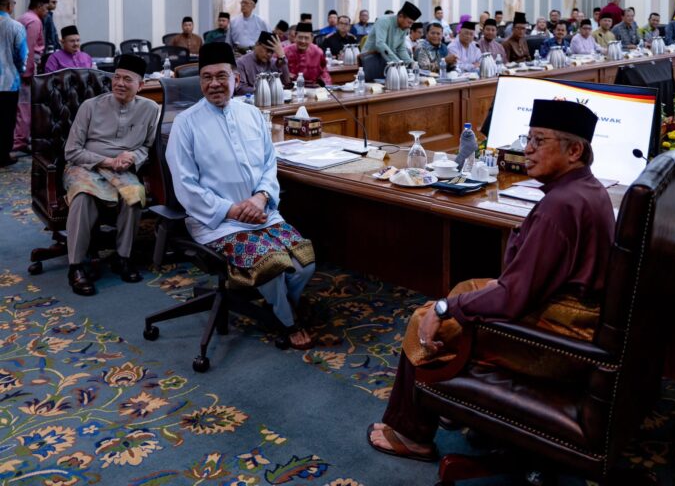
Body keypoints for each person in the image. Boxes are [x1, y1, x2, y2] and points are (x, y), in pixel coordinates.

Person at [366, 99, 615, 461]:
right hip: (572, 319)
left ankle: (411, 432)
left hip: (558, 342)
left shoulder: (560, 207)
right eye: (527, 139)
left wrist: (444, 309)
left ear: (574, 151)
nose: (526, 150)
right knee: (467, 289)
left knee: (426, 320)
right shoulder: (587, 189)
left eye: (539, 141)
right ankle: (453, 404)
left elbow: (513, 297)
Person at [166, 42, 317, 350]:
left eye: (221, 76)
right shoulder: (185, 123)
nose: (214, 84)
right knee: (271, 266)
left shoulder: (252, 115)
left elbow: (269, 164)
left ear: (236, 78)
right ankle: (287, 320)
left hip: (262, 212)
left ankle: (281, 303)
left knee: (305, 263)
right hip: (217, 222)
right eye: (206, 77)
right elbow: (185, 185)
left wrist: (261, 198)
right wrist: (232, 210)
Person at [63, 54, 160, 296]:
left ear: (141, 85)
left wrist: (132, 157)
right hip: (86, 165)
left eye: (127, 79)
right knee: (83, 196)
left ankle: (123, 257)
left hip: (122, 169)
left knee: (134, 194)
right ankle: (76, 266)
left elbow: (147, 146)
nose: (119, 83)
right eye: (116, 77)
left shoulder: (150, 109)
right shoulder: (90, 106)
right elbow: (72, 151)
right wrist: (107, 161)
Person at [14, 0, 48, 153]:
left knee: (18, 107)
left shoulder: (22, 17)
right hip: (25, 71)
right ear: (39, 6)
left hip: (14, 69)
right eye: (46, 8)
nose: (47, 12)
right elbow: (29, 48)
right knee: (24, 107)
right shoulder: (34, 21)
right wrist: (27, 73)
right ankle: (20, 141)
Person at [0, 0, 27, 167]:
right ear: (9, 6)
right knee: (6, 120)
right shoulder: (16, 26)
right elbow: (21, 56)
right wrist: (20, 71)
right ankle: (3, 156)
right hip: (8, 82)